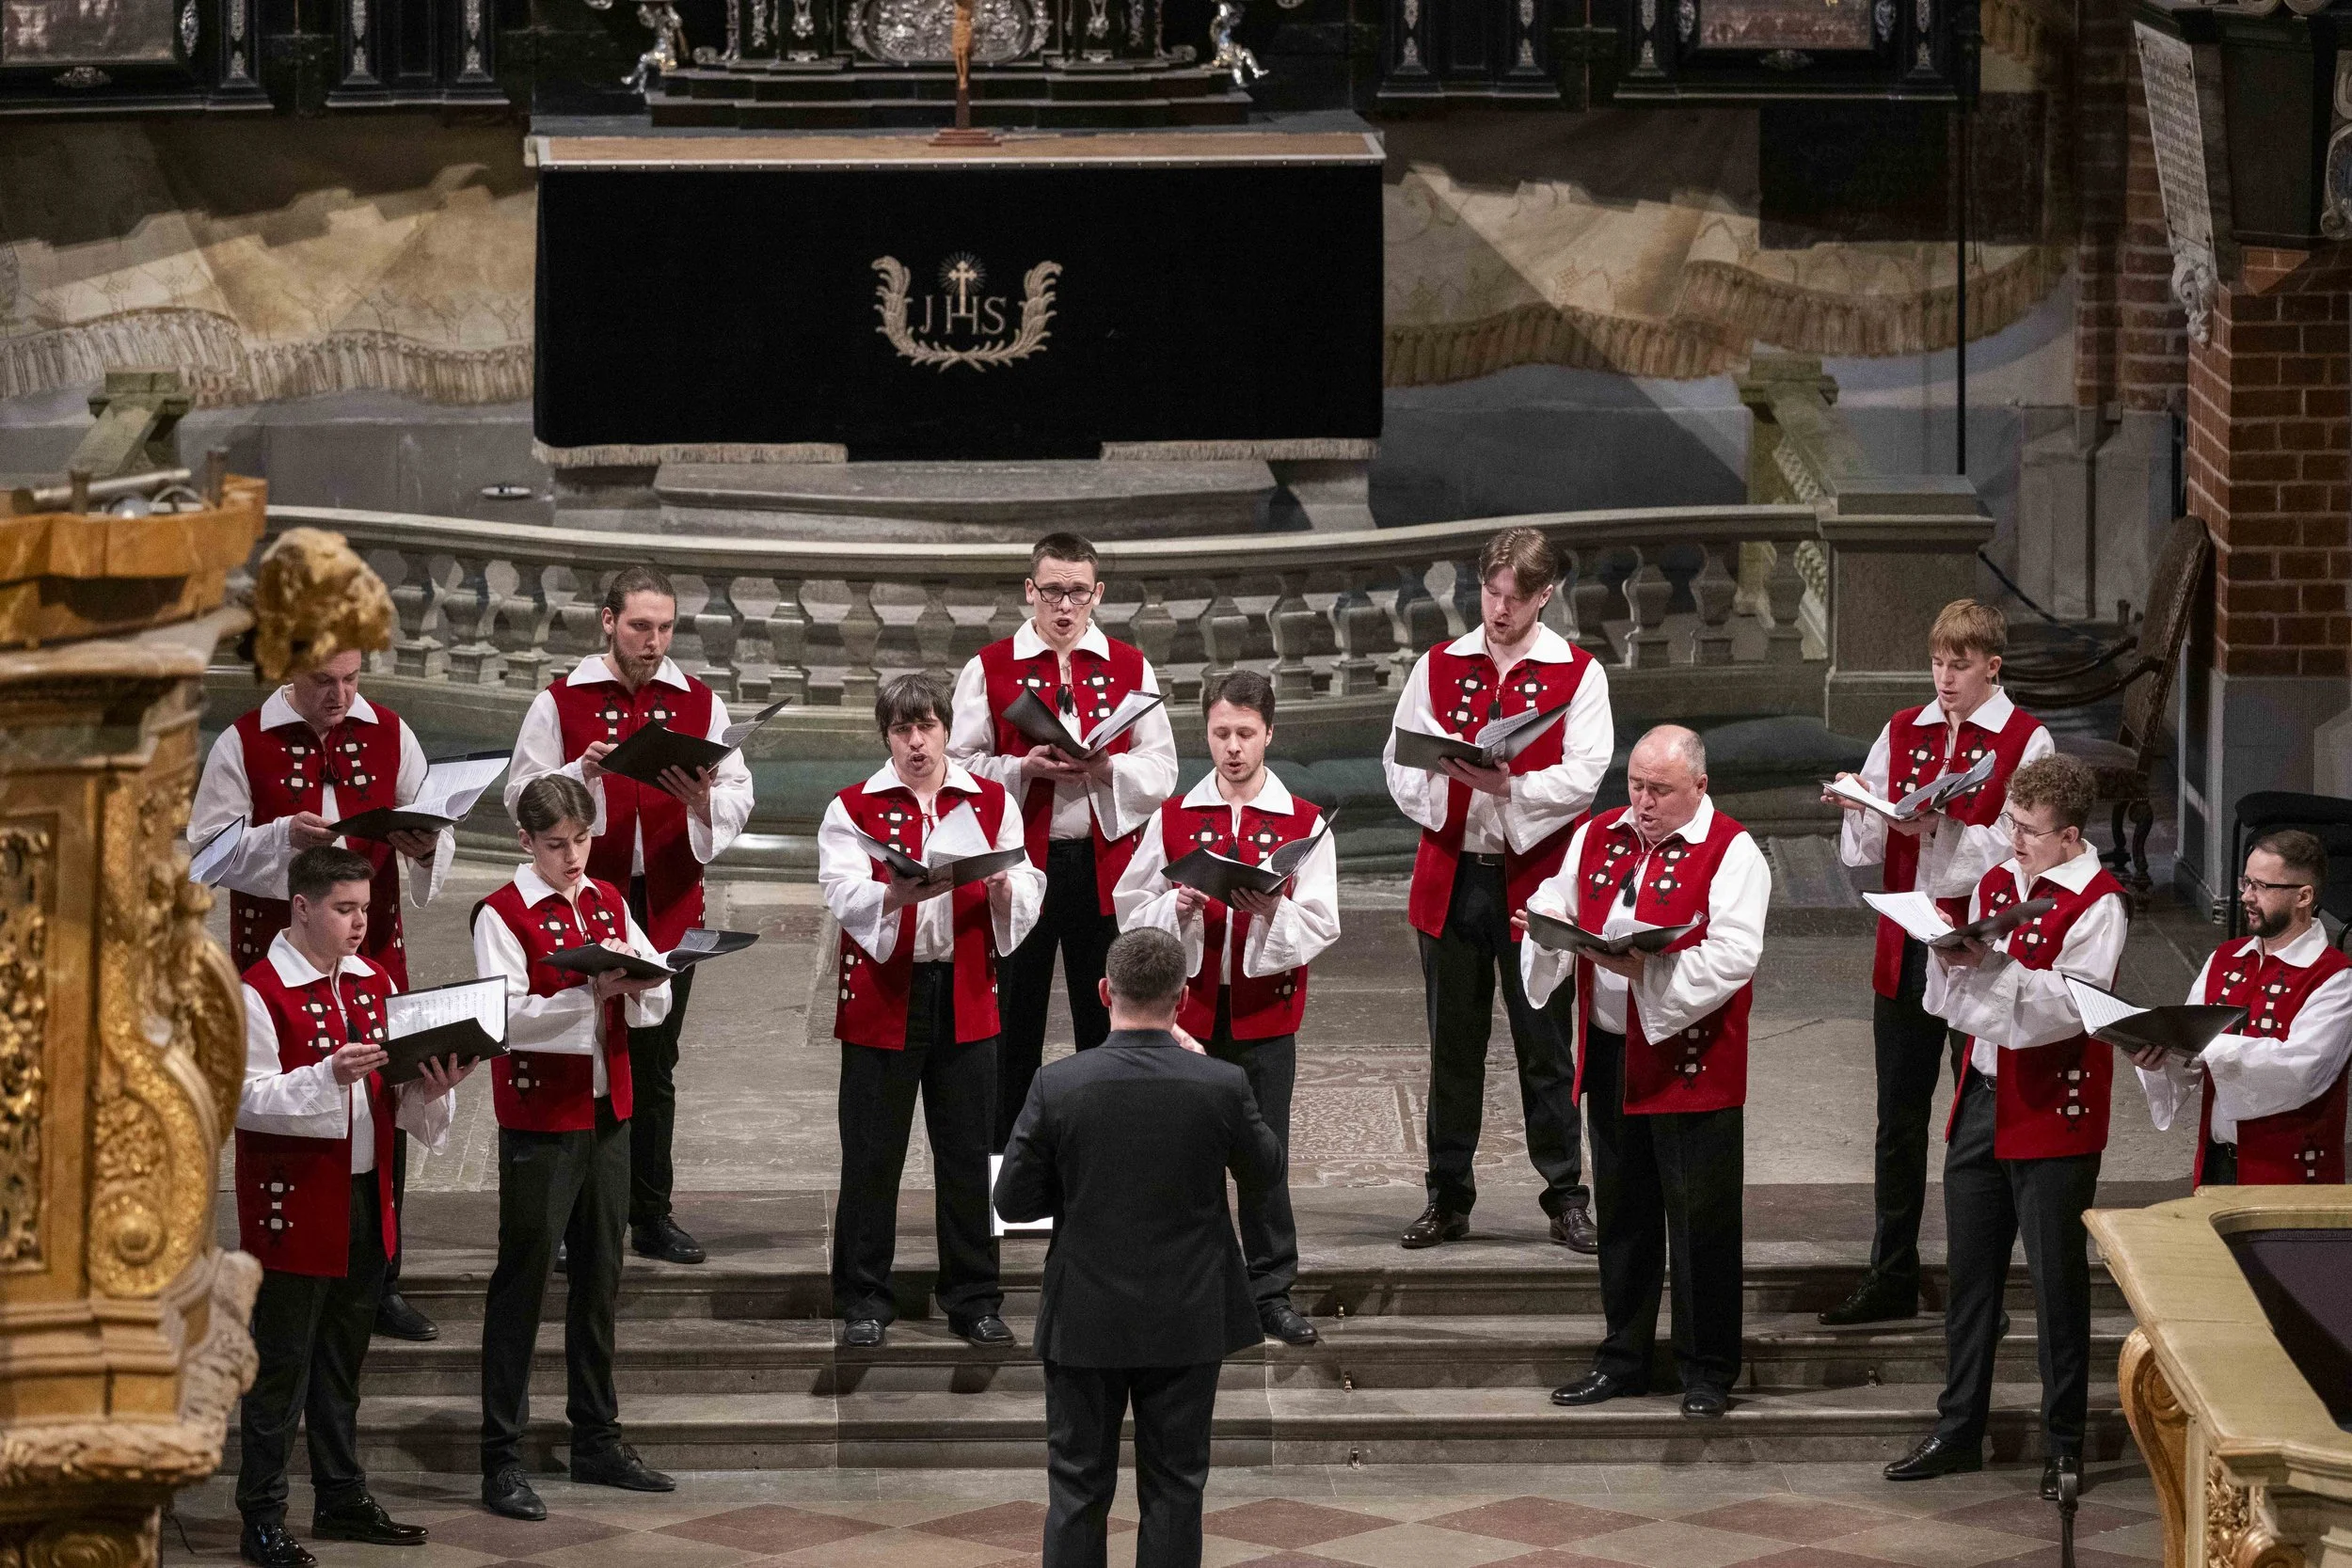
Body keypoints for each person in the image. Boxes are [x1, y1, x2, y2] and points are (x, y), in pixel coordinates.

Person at [194, 638, 457, 1345]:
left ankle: (380, 1282)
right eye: (323, 681)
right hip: (280, 970)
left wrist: (425, 845)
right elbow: (207, 853)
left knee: (383, 1102)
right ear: (287, 670)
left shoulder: (391, 732)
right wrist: (281, 835)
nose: (341, 696)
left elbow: (440, 826)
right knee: (290, 1114)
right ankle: (284, 1279)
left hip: (373, 962)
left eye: (350, 678)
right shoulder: (242, 743)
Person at [995, 928, 1283, 1568]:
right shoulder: (1221, 1082)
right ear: (1183, 998)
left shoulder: (1058, 1084)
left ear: (1104, 991)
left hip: (1086, 1315)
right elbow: (1265, 1171)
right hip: (1187, 1313)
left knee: (1076, 1487)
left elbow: (1012, 1201)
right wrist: (1207, 1063)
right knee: (1176, 1488)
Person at [1884, 754, 2125, 1502]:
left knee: (2056, 1284)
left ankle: (2063, 1443)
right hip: (1984, 1095)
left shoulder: (2099, 903)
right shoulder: (1997, 881)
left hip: (2054, 1105)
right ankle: (1960, 1427)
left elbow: (2068, 1006)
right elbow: (1957, 1000)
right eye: (2011, 824)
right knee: (1972, 1278)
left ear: (2070, 836)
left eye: (2028, 830)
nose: (2013, 839)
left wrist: (1987, 966)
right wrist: (1953, 956)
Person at [505, 564, 755, 1267]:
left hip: (669, 903)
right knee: (580, 1050)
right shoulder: (560, 701)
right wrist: (577, 776)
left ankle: (650, 1211)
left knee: (655, 1058)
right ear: (608, 621)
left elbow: (739, 793)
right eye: (641, 625)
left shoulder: (698, 701)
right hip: (585, 904)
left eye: (665, 627)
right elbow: (518, 794)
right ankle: (568, 1217)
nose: (654, 641)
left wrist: (704, 800)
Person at [233, 847, 469, 1568]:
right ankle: (262, 1516)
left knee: (342, 1362)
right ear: (302, 907)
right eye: (344, 908)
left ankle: (340, 1496)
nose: (360, 922)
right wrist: (326, 1075)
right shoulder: (257, 990)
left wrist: (431, 1088)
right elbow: (242, 1099)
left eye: (365, 907)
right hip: (297, 1205)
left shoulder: (375, 981)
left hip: (368, 1197)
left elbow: (391, 1101)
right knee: (282, 1369)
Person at [1523, 726, 1768, 1420]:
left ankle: (1708, 1368)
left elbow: (1733, 954)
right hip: (1611, 1052)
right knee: (1625, 1215)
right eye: (1635, 784)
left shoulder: (1733, 851)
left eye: (1659, 789)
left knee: (1701, 1220)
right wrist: (1547, 919)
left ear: (1700, 786)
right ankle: (1623, 1356)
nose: (1642, 801)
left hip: (1691, 1061)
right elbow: (1559, 894)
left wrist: (1647, 970)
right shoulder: (1600, 832)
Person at [1820, 599, 2052, 1326]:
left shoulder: (2024, 739)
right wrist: (1861, 809)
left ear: (1992, 665)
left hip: (1978, 947)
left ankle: (1979, 1285)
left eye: (1959, 665)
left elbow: (2033, 849)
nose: (1944, 679)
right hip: (1906, 944)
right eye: (1937, 663)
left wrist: (1945, 825)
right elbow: (1860, 855)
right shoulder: (1903, 730)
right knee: (1898, 1116)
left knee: (1978, 1121)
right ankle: (1891, 1272)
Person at [1382, 526, 1612, 1252]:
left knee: (1545, 1045)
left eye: (1515, 596)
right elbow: (1398, 760)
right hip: (1453, 881)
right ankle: (1447, 1197)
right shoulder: (1440, 663)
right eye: (1490, 592)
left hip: (1535, 888)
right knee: (1453, 1046)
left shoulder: (1578, 672)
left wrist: (1512, 787)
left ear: (1547, 595)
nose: (1500, 608)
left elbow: (1586, 775)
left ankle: (1565, 1196)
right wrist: (1449, 791)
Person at [816, 673, 1045, 1349]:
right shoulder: (853, 806)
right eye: (901, 730)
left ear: (947, 728)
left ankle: (974, 1296)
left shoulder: (990, 799)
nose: (916, 743)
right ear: (886, 735)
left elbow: (1029, 877)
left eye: (928, 728)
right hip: (886, 995)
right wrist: (894, 892)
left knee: (970, 1154)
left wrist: (1006, 884)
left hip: (967, 991)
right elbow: (840, 888)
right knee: (871, 1154)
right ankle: (863, 1296)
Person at [1114, 670, 1341, 1349]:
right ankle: (1190, 1287)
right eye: (1220, 733)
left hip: (1265, 1017)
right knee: (1186, 1158)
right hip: (1190, 1016)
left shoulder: (1303, 821)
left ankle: (1271, 1290)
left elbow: (1324, 920)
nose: (1233, 748)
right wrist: (1173, 905)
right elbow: (1130, 909)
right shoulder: (1176, 817)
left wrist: (1274, 908)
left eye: (1245, 733)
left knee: (1263, 1154)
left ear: (1269, 732)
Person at [472, 774, 677, 1520]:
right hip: (541, 1117)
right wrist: (585, 995)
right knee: (523, 1280)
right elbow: (499, 1016)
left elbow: (656, 999)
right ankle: (501, 1456)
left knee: (600, 1278)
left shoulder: (607, 900)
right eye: (556, 844)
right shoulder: (501, 912)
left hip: (608, 1111)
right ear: (525, 841)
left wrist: (636, 981)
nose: (573, 856)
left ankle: (596, 1435)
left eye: (582, 840)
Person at [949, 531, 1180, 1147]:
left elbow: (1162, 770)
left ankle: (1096, 1176)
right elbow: (955, 767)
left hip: (1102, 867)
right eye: (1052, 590)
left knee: (1105, 1024)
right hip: (1023, 867)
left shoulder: (1130, 665)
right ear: (1030, 590)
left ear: (1097, 593)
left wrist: (1107, 769)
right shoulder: (991, 666)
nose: (1064, 604)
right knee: (1012, 1030)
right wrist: (1023, 768)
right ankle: (1012, 1191)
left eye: (1077, 591)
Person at [2133, 830, 2350, 1184]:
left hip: (2290, 1175)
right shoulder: (2225, 959)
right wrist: (2157, 1058)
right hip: (2218, 1163)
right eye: (2245, 881)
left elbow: (2300, 1069)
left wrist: (2206, 1043)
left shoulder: (2335, 977)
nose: (2245, 896)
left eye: (2261, 886)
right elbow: (2186, 1053)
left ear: (2304, 896)